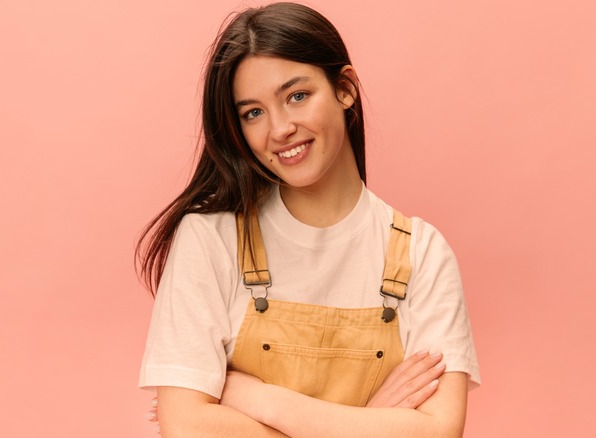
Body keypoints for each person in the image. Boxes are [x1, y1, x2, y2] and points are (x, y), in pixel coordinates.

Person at [136, 2, 480, 437]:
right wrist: (372, 421)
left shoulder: (422, 253)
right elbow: (186, 428)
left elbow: (439, 432)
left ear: (345, 89)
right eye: (253, 113)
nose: (279, 129)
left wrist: (256, 397)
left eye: (297, 96)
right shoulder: (211, 238)